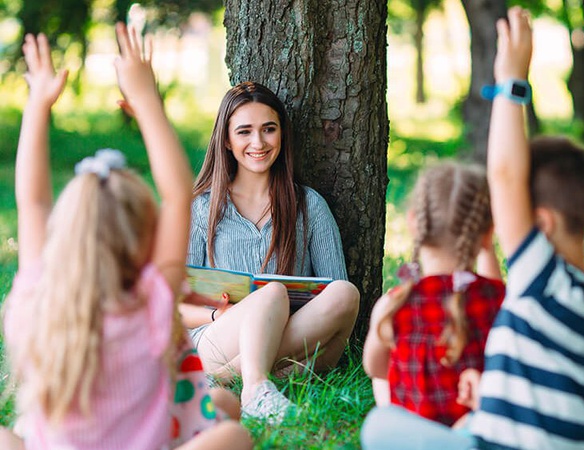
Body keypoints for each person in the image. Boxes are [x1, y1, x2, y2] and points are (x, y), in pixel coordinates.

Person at [361, 7, 584, 449]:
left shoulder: (540, 281)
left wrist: (511, 82)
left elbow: (503, 173)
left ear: (541, 222)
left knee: (379, 427)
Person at [0, 25, 252, 450]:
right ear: (143, 240)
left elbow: (32, 204)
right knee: (232, 434)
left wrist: (38, 103)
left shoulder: (34, 302)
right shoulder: (149, 303)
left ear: (66, 234)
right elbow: (177, 196)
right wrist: (147, 100)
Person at [181, 81, 360, 420]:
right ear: (227, 141)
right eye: (244, 132)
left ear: (282, 135)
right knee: (270, 293)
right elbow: (175, 306)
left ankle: (240, 379)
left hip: (290, 330)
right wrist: (224, 315)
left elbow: (333, 297)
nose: (258, 143)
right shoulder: (201, 209)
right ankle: (257, 387)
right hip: (214, 337)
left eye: (268, 129)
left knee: (346, 294)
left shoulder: (309, 205)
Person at [362, 162, 505, 426]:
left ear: (414, 223)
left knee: (380, 403)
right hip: (481, 432)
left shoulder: (394, 304)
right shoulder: (496, 299)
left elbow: (375, 369)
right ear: (487, 233)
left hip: (416, 435)